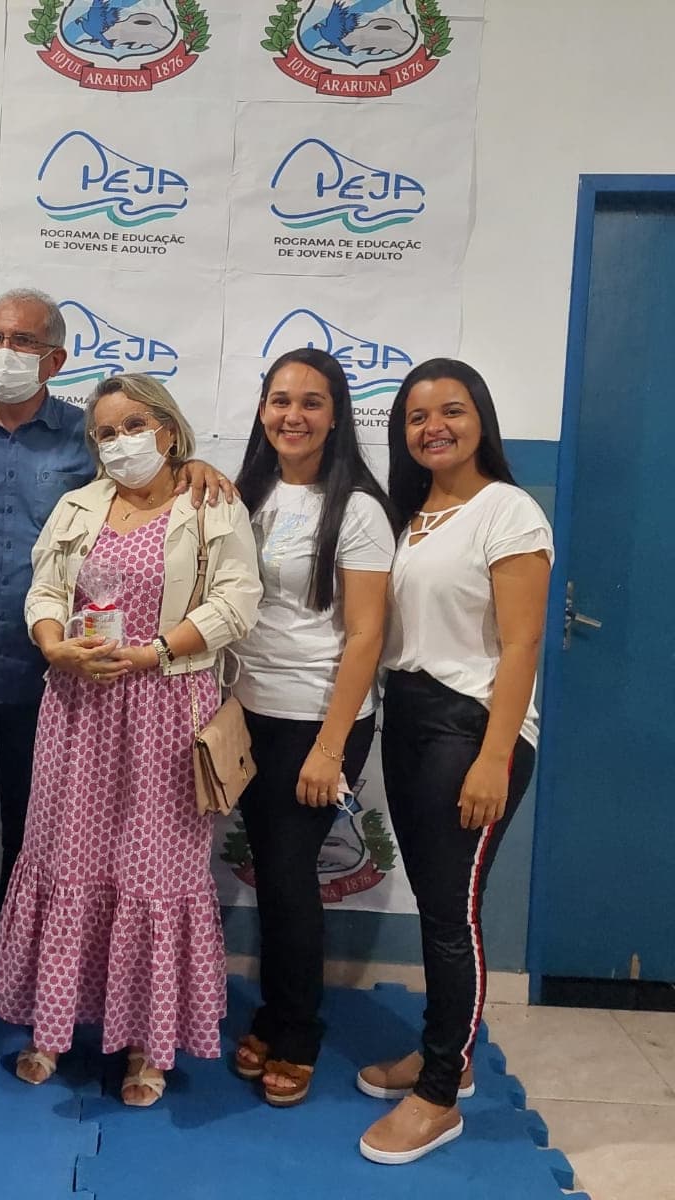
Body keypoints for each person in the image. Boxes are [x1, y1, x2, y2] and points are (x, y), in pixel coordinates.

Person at [0, 289, 233, 1040]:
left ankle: (27, 979)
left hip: (60, 684)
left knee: (45, 842)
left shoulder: (87, 437)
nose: (6, 352)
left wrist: (194, 461)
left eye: (24, 341)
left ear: (54, 358)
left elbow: (145, 477)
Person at [0, 374, 260, 1106]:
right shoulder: (78, 506)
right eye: (105, 433)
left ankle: (148, 1043)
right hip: (80, 709)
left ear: (168, 429)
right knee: (66, 860)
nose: (120, 442)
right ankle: (52, 1028)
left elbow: (238, 602)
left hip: (168, 709)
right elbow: (45, 590)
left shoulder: (210, 504)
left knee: (156, 873)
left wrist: (156, 653)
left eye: (134, 425)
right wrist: (54, 645)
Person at [357, 359, 552, 1165]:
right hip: (408, 719)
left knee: (450, 915)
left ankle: (439, 1095)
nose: (434, 426)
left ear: (482, 420)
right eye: (416, 416)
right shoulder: (410, 516)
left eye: (452, 410)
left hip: (470, 730)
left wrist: (494, 757)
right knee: (440, 905)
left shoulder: (508, 510)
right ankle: (450, 1053)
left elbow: (523, 644)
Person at [230, 348, 395, 1106]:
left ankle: (297, 1032)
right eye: (280, 400)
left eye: (311, 402)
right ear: (263, 410)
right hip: (246, 711)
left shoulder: (357, 508)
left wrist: (330, 747)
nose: (292, 415)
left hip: (318, 722)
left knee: (291, 878)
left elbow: (366, 636)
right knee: (273, 871)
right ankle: (273, 1012)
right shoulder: (246, 492)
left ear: (336, 416)